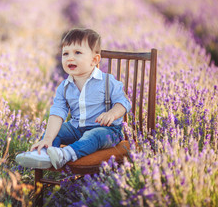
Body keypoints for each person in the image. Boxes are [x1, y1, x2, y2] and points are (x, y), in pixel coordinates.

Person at [15, 28, 131, 170]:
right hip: (77, 128)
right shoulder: (64, 87)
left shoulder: (107, 81)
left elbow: (124, 102)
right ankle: (45, 154)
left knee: (93, 135)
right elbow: (57, 113)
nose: (70, 57)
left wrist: (112, 114)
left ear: (94, 60)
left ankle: (66, 154)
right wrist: (48, 137)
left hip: (107, 131)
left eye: (77, 53)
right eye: (65, 53)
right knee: (57, 131)